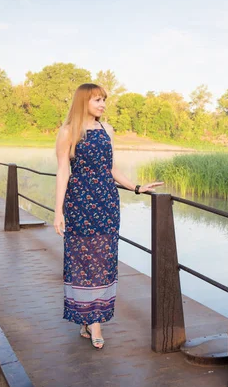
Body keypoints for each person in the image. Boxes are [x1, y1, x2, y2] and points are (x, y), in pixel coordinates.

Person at [53, 83, 163, 349]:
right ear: (83, 102)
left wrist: (136, 187)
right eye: (97, 100)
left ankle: (90, 317)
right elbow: (63, 171)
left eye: (104, 100)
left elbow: (110, 168)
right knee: (81, 257)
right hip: (79, 203)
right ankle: (94, 322)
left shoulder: (107, 130)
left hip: (106, 203)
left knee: (103, 257)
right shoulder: (68, 131)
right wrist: (58, 211)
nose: (102, 104)